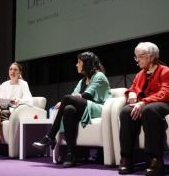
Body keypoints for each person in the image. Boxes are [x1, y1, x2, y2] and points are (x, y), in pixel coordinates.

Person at [33, 51, 112, 168]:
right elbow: (74, 95)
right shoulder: (82, 81)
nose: (76, 65)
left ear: (87, 64)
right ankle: (71, 154)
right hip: (86, 106)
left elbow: (87, 95)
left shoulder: (99, 76)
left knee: (67, 100)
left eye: (79, 62)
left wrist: (71, 98)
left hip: (99, 108)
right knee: (68, 109)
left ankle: (50, 136)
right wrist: (66, 102)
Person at [118, 42, 169, 176]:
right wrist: (132, 93)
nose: (137, 61)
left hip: (162, 103)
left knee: (149, 110)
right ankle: (126, 157)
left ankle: (156, 159)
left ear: (152, 57)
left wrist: (144, 102)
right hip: (146, 104)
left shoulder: (165, 71)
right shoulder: (140, 74)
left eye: (140, 57)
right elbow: (133, 88)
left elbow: (165, 93)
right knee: (125, 111)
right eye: (136, 57)